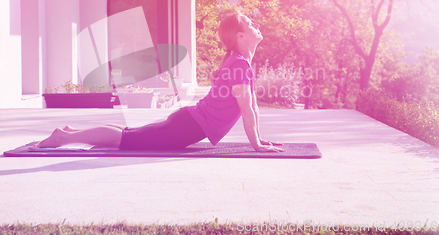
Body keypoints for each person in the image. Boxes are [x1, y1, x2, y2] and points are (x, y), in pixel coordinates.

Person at [35, 12, 284, 153]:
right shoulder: (239, 64)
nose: (256, 25)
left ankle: (70, 133)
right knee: (125, 139)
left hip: (188, 122)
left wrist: (260, 141)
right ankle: (63, 139)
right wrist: (257, 146)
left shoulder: (238, 62)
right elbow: (247, 108)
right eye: (250, 24)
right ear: (240, 35)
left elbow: (252, 107)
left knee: (128, 135)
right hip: (187, 127)